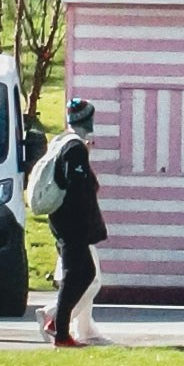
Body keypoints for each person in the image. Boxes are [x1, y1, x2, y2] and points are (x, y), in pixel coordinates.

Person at [45, 98, 106, 348]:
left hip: (67, 222)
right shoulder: (75, 149)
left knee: (87, 272)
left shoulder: (66, 144)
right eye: (90, 117)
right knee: (73, 275)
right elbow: (78, 186)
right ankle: (60, 334)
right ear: (84, 120)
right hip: (72, 224)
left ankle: (58, 323)